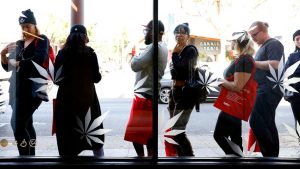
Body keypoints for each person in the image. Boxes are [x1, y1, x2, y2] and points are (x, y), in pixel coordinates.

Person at [0, 9, 49, 156]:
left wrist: (19, 63)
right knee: (27, 124)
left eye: (28, 26)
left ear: (35, 25)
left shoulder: (41, 40)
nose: (26, 29)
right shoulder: (19, 43)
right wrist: (3, 54)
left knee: (17, 125)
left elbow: (38, 60)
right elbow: (8, 67)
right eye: (23, 27)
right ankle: (31, 156)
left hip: (33, 90)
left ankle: (24, 158)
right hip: (17, 90)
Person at [54, 24, 104, 157]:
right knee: (94, 137)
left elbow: (56, 80)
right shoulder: (91, 54)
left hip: (66, 101)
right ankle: (100, 162)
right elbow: (96, 78)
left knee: (69, 139)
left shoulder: (62, 54)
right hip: (87, 100)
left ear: (69, 37)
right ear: (85, 37)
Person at [124, 20, 168, 157]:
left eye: (148, 30)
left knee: (135, 135)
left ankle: (142, 160)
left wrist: (135, 56)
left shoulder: (153, 47)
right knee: (148, 134)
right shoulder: (163, 47)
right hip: (151, 95)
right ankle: (150, 159)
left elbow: (135, 65)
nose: (146, 34)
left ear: (158, 33)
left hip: (144, 97)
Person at [213, 31, 257, 157]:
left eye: (232, 41)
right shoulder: (242, 59)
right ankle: (237, 160)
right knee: (235, 137)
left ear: (238, 43)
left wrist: (219, 82)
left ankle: (236, 159)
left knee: (219, 135)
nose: (231, 43)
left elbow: (237, 86)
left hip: (234, 104)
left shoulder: (244, 60)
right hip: (235, 104)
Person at [248, 21, 284, 157]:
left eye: (255, 35)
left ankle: (269, 155)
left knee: (256, 121)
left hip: (268, 89)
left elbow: (275, 64)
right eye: (251, 36)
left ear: (263, 31)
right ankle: (272, 156)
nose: (253, 38)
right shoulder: (263, 46)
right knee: (267, 122)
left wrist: (252, 62)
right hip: (263, 88)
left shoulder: (274, 44)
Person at [166, 23, 198, 156]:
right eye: (176, 32)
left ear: (188, 36)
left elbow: (182, 69)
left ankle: (189, 158)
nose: (178, 35)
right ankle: (181, 157)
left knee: (177, 131)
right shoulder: (178, 49)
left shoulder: (190, 50)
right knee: (174, 130)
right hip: (175, 91)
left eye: (182, 32)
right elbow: (174, 71)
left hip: (185, 93)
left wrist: (174, 54)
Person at [284, 30, 300, 137]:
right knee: (298, 121)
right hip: (296, 93)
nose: (299, 41)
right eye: (296, 39)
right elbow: (285, 72)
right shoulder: (292, 56)